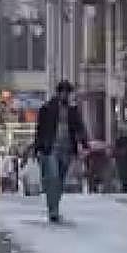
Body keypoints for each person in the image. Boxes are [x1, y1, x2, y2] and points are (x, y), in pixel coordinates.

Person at [33, 80, 88, 222]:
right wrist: (37, 148)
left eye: (68, 93)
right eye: (63, 92)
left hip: (67, 149)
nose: (66, 95)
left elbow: (79, 128)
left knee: (61, 181)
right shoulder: (47, 109)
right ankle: (53, 210)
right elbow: (40, 130)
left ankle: (54, 205)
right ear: (58, 93)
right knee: (53, 178)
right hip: (51, 148)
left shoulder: (73, 110)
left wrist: (84, 143)